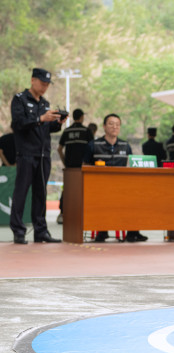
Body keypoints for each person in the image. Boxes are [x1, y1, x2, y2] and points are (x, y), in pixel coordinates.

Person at [10, 68, 63, 244]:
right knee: (21, 193)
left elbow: (46, 128)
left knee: (41, 194)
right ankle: (18, 231)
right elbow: (18, 124)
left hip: (43, 155)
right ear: (33, 80)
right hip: (26, 154)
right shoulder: (20, 100)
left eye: (47, 84)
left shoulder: (45, 103)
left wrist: (57, 123)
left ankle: (41, 231)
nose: (45, 87)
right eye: (42, 83)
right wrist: (40, 119)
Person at [84, 113, 148, 242]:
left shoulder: (125, 145)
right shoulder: (94, 145)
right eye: (111, 124)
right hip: (99, 188)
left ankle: (133, 232)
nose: (114, 127)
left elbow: (131, 166)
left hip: (122, 188)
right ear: (104, 126)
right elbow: (85, 166)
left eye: (117, 125)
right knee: (101, 198)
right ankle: (102, 231)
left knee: (136, 195)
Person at [56, 109, 93, 224]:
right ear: (81, 117)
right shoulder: (86, 131)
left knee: (67, 190)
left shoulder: (67, 131)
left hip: (70, 166)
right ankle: (85, 214)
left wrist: (65, 162)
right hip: (83, 167)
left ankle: (62, 213)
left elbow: (59, 149)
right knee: (85, 189)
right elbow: (92, 148)